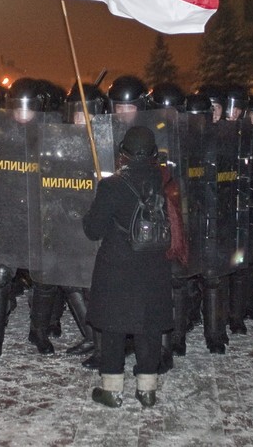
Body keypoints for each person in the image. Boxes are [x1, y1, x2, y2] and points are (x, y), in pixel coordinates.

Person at [83, 126, 175, 409]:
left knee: (113, 327)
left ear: (123, 153)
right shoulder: (164, 181)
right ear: (152, 154)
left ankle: (112, 389)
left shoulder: (111, 185)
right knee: (148, 327)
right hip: (154, 266)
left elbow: (93, 229)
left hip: (118, 267)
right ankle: (147, 389)